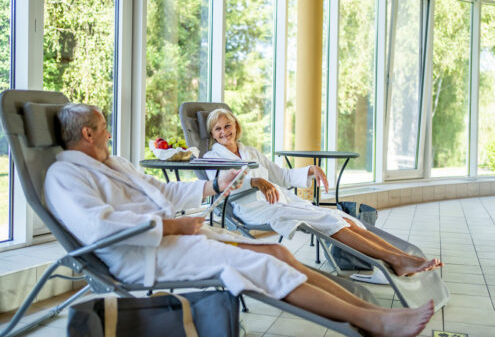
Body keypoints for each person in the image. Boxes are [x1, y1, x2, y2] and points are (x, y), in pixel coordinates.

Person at [44, 103, 434, 337]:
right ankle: (376, 323)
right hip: (141, 255)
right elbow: (99, 229)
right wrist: (172, 226)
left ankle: (375, 316)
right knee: (260, 264)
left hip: (175, 239)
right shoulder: (65, 175)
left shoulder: (115, 164)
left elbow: (160, 191)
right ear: (87, 132)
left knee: (277, 251)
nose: (109, 132)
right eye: (104, 126)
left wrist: (213, 187)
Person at [204, 108, 442, 277]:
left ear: (236, 126)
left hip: (282, 201)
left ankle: (402, 257)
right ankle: (397, 261)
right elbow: (220, 187)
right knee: (329, 218)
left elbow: (282, 176)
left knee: (343, 218)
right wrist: (255, 181)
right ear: (212, 134)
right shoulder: (209, 159)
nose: (224, 131)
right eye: (218, 128)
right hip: (255, 210)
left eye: (228, 125)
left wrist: (310, 169)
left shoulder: (252, 152)